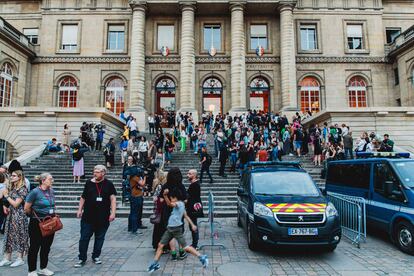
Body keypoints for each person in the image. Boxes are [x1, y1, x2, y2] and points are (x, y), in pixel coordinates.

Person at [147, 188, 208, 273]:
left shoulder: (178, 204)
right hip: (170, 229)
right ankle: (155, 263)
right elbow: (186, 215)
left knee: (185, 247)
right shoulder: (182, 204)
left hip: (175, 229)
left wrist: (164, 195)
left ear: (175, 197)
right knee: (160, 245)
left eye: (171, 197)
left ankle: (202, 257)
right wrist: (192, 224)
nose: (171, 199)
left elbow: (169, 204)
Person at [74, 165, 117, 267]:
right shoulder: (88, 183)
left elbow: (113, 199)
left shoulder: (109, 184)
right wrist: (79, 209)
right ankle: (82, 258)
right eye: (94, 171)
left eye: (97, 172)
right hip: (88, 217)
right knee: (84, 238)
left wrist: (113, 213)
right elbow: (83, 197)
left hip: (103, 217)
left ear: (103, 173)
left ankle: (96, 256)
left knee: (100, 238)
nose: (95, 173)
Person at [24, 173, 56, 276]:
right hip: (37, 223)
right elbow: (26, 208)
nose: (52, 181)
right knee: (34, 247)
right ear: (43, 181)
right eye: (50, 179)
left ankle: (43, 268)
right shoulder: (34, 192)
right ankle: (32, 270)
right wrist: (35, 215)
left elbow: (52, 204)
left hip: (50, 222)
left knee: (46, 246)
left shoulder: (51, 191)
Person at [0, 170, 29, 268]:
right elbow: (9, 202)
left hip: (19, 216)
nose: (11, 177)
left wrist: (6, 195)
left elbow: (16, 204)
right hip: (11, 214)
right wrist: (6, 206)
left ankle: (19, 258)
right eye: (11, 176)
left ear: (19, 177)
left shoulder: (23, 189)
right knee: (9, 235)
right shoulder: (13, 187)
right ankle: (7, 258)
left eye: (14, 176)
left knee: (19, 236)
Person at [186, 170, 203, 249]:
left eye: (189, 174)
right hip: (192, 208)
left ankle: (195, 245)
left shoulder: (195, 185)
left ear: (194, 175)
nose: (187, 175)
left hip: (193, 208)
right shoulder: (194, 184)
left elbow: (190, 197)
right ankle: (195, 243)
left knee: (193, 225)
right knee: (192, 225)